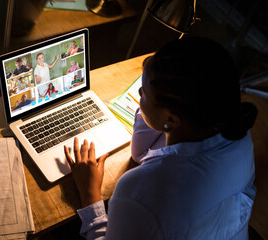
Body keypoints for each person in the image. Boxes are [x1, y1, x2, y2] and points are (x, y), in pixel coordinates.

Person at [64, 37, 258, 240]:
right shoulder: (237, 134)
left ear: (172, 119)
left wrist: (90, 195)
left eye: (144, 94)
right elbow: (140, 153)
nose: (138, 93)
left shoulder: (140, 192)